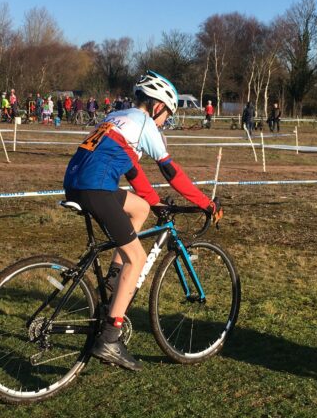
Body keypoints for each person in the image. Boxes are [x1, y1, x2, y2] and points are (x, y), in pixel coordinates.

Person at [63, 71, 223, 371]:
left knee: (139, 210)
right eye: (168, 116)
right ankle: (110, 337)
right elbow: (171, 173)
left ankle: (114, 278)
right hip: (96, 187)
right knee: (136, 258)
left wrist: (156, 203)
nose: (166, 123)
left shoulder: (118, 117)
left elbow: (134, 174)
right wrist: (206, 202)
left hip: (78, 182)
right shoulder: (146, 124)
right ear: (158, 106)